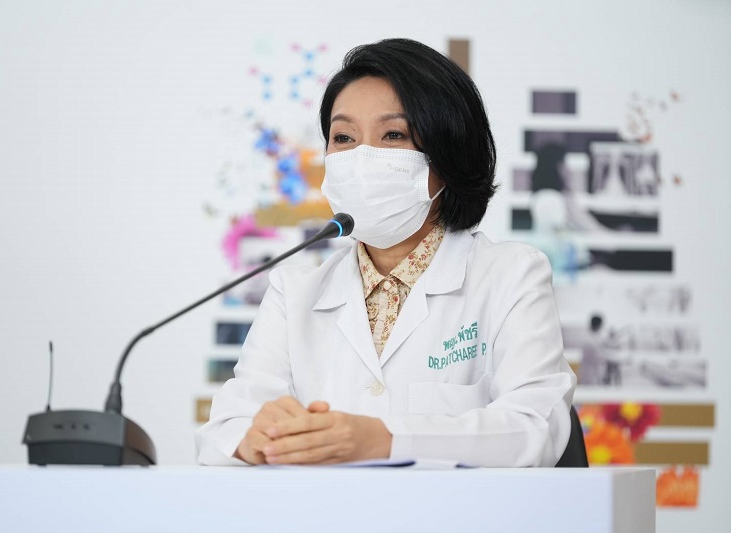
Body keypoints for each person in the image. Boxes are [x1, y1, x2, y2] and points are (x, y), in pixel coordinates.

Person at [197, 38, 576, 467]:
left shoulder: (511, 275)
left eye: (393, 134)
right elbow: (222, 433)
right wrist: (254, 440)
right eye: (343, 137)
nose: (361, 159)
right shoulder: (295, 291)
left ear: (448, 156)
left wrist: (384, 439)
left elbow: (535, 429)